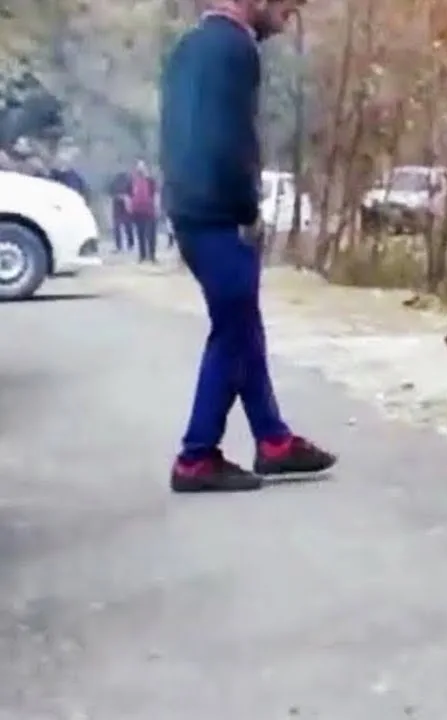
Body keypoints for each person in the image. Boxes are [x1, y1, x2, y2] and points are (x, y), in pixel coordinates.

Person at [160, 0, 335, 493]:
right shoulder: (235, 48)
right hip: (217, 212)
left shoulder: (192, 44)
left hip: (191, 208)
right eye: (287, 4)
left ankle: (273, 440)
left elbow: (180, 133)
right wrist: (244, 209)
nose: (291, 12)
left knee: (242, 324)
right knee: (233, 332)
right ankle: (196, 457)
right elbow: (228, 138)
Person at [127, 159, 160, 263]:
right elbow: (129, 196)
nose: (140, 169)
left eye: (142, 167)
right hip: (138, 211)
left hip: (150, 210)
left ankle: (152, 256)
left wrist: (156, 207)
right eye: (139, 167)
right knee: (140, 234)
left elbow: (155, 194)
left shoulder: (151, 181)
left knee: (151, 234)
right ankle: (142, 256)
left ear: (146, 168)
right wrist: (129, 207)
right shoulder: (133, 181)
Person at [108, 169, 135, 253]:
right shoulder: (128, 180)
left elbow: (110, 192)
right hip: (121, 206)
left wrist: (121, 197)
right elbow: (132, 193)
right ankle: (128, 244)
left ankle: (123, 245)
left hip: (121, 206)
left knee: (122, 227)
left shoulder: (115, 181)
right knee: (125, 226)